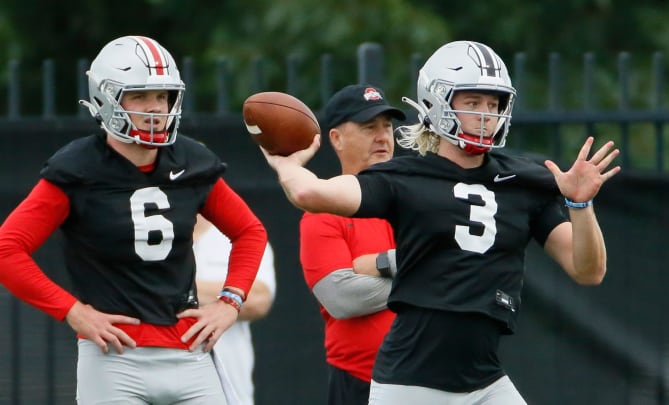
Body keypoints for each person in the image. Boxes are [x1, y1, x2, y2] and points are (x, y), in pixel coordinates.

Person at [259, 41, 621, 404]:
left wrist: (580, 203)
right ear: (436, 101)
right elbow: (311, 195)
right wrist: (287, 165)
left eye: (494, 104)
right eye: (473, 103)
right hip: (410, 384)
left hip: (484, 379)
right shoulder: (406, 178)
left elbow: (588, 270)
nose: (486, 115)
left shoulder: (523, 182)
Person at [0, 35, 267, 404]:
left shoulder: (191, 160)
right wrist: (72, 311)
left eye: (162, 96)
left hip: (190, 352)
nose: (155, 108)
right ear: (105, 98)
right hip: (115, 359)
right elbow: (7, 249)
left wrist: (229, 301)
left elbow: (250, 231)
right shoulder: (78, 168)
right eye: (139, 96)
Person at [299, 84, 406, 405]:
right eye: (368, 127)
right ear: (336, 138)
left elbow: (456, 266)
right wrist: (422, 275)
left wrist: (378, 265)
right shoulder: (324, 211)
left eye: (387, 126)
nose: (382, 136)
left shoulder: (421, 198)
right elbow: (343, 298)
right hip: (360, 384)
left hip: (430, 378)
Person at [193, 214, 277, 405]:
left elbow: (259, 298)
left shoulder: (243, 235)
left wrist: (176, 291)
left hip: (229, 392)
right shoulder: (143, 237)